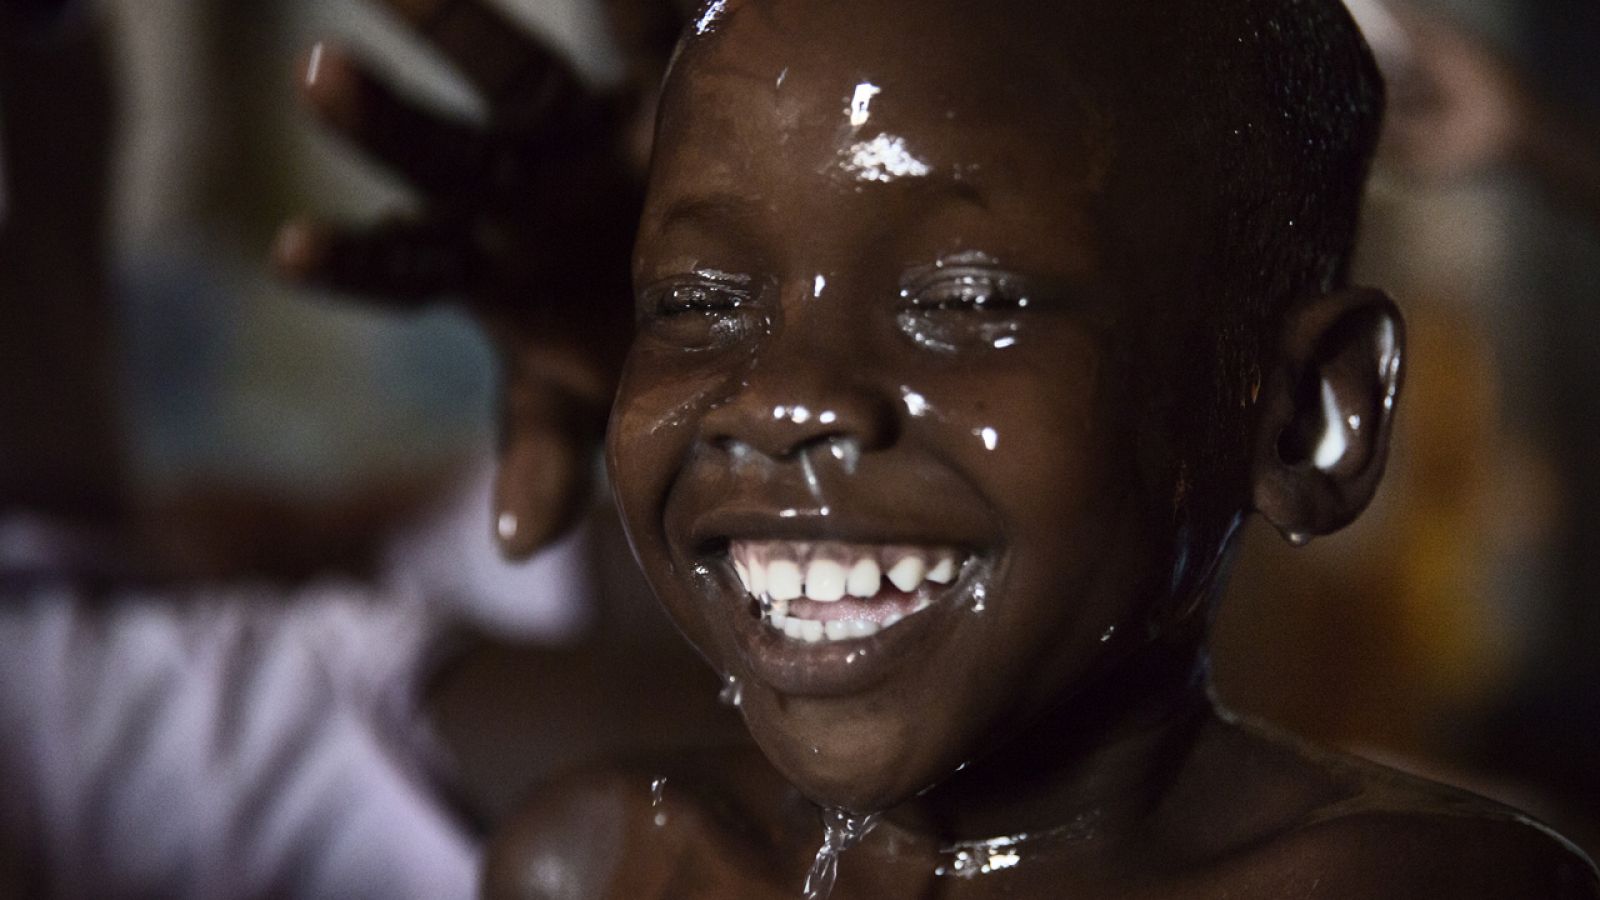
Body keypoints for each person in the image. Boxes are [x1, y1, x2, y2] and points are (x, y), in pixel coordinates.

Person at [477, 1, 1600, 897]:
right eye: (695, 302)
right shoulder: (605, 866)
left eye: (967, 299)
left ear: (1308, 411)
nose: (780, 400)